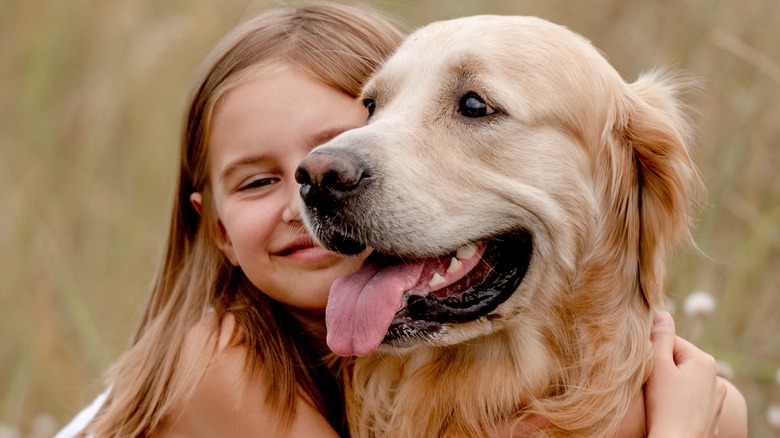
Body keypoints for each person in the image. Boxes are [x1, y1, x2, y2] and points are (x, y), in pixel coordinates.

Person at [57, 3, 746, 437]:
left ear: (630, 179)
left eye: (473, 107)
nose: (325, 175)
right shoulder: (224, 367)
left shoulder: (678, 392)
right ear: (217, 231)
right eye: (377, 109)